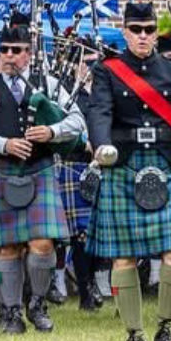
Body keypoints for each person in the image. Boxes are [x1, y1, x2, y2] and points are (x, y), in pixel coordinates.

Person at [86, 2, 171, 341]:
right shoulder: (107, 70)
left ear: (156, 33)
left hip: (165, 164)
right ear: (124, 32)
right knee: (122, 258)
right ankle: (135, 335)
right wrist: (102, 145)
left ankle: (165, 329)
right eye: (136, 30)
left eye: (149, 30)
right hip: (124, 165)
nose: (142, 36)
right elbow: (100, 111)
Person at [0, 22, 86, 335]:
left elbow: (77, 121)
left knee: (43, 244)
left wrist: (52, 131)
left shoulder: (46, 84)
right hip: (0, 170)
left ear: (29, 54)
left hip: (39, 169)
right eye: (4, 50)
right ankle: (11, 312)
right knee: (8, 248)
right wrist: (3, 144)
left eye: (16, 51)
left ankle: (38, 304)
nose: (8, 56)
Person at [54, 38, 108, 313]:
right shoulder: (64, 91)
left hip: (103, 165)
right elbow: (58, 127)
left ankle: (98, 282)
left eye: (96, 61)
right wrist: (82, 143)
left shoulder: (103, 90)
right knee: (80, 232)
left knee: (100, 227)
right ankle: (86, 288)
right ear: (75, 64)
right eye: (87, 62)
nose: (92, 67)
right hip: (74, 164)